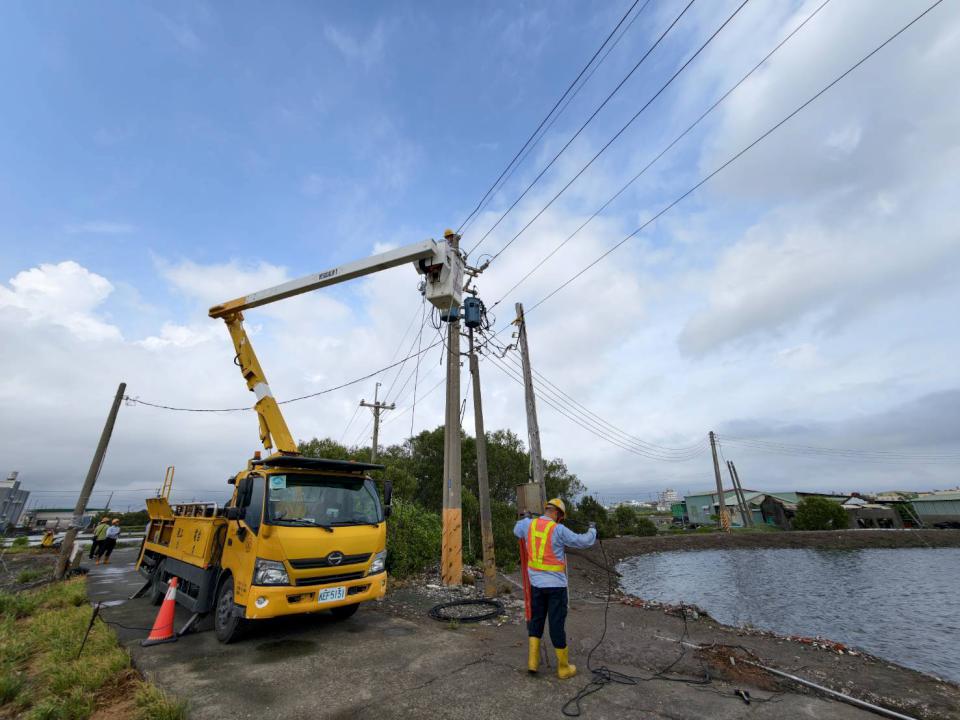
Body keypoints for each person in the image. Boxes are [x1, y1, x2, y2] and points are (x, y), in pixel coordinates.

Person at [514, 498, 597, 679]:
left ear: (547, 510)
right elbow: (583, 541)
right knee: (556, 625)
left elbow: (516, 530)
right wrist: (592, 529)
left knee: (536, 621)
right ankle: (563, 668)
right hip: (556, 587)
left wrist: (525, 517)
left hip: (536, 585)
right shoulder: (558, 529)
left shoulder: (529, 525)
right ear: (558, 515)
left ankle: (533, 662)